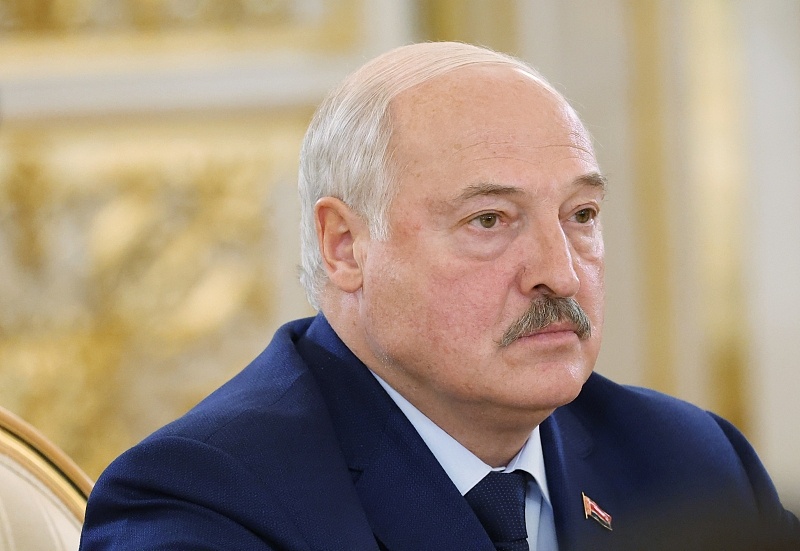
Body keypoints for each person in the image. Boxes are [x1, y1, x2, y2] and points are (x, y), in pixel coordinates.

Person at [79, 42, 800, 551]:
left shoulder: (692, 462)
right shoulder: (205, 499)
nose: (560, 273)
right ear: (346, 245)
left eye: (580, 215)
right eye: (490, 220)